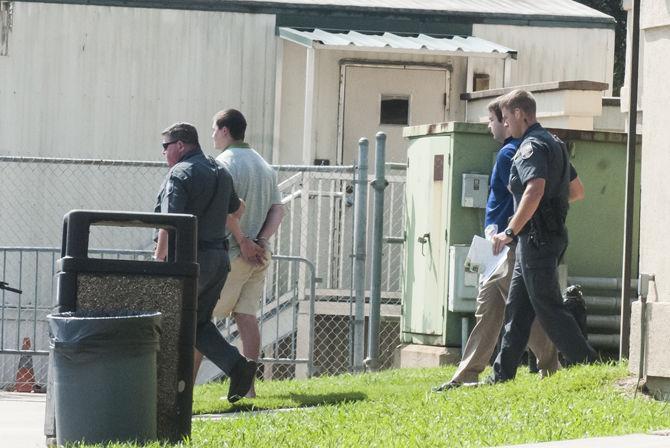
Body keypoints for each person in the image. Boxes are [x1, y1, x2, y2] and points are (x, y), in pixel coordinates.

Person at [433, 99, 559, 391]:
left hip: (507, 245)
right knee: (490, 307)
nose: (491, 125)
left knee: (522, 309)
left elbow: (529, 194)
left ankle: (551, 366)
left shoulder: (511, 155)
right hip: (498, 246)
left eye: (493, 120)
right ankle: (466, 372)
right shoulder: (517, 152)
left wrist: (507, 231)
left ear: (507, 120)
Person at [489, 89, 598, 383]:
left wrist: (513, 228)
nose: (504, 122)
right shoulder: (555, 144)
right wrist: (549, 209)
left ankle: (588, 362)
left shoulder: (530, 147)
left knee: (548, 307)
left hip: (535, 239)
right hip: (542, 237)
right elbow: (576, 192)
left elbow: (534, 189)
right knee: (518, 308)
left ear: (520, 114)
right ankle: (501, 375)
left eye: (506, 116)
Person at [154, 122, 257, 403]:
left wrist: (158, 260)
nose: (163, 153)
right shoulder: (219, 171)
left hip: (188, 261)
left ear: (180, 145)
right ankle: (238, 367)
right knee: (196, 324)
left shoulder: (179, 174)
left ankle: (164, 392)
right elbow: (237, 208)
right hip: (218, 260)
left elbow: (170, 223)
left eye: (165, 147)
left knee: (171, 322)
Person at [202, 108, 284, 398]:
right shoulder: (264, 166)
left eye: (214, 129)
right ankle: (248, 389)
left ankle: (183, 390)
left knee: (202, 321)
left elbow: (224, 209)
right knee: (247, 318)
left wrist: (244, 241)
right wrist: (261, 240)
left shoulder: (221, 165)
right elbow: (278, 209)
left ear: (225, 130)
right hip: (259, 257)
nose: (211, 134)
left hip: (231, 255)